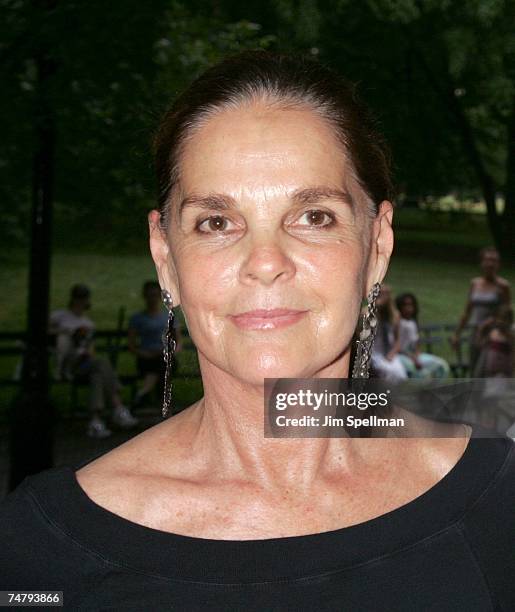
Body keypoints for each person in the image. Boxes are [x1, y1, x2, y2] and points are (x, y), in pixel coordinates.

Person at [1, 50, 514, 610]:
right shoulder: (39, 552)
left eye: (315, 216)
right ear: (165, 257)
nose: (265, 261)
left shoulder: (501, 503)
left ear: (378, 245)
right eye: (217, 222)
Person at [49, 284, 139, 438]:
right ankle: (118, 408)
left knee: (97, 374)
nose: (81, 301)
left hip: (83, 364)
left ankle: (95, 421)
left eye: (83, 297)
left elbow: (90, 349)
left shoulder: (88, 324)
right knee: (101, 365)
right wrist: (66, 332)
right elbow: (46, 333)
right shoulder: (59, 316)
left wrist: (87, 354)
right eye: (78, 297)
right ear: (73, 298)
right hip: (64, 362)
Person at [451, 246, 511, 375]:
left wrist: (491, 322)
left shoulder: (503, 286)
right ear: (482, 262)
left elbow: (508, 314)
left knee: (485, 370)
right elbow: (467, 311)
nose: (490, 264)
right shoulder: (475, 283)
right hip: (475, 331)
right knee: (474, 369)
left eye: (494, 260)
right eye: (487, 260)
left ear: (498, 264)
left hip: (493, 334)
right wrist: (457, 334)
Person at [128, 280, 183, 410]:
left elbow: (178, 341)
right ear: (144, 296)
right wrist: (143, 353)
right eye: (149, 295)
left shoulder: (169, 317)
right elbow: (131, 345)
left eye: (154, 295)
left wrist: (172, 352)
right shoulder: (137, 318)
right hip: (145, 358)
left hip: (165, 356)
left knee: (162, 361)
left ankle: (144, 392)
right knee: (160, 366)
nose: (152, 299)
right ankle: (162, 405)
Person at [395, 292, 451, 378]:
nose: (408, 308)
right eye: (405, 305)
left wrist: (417, 355)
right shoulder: (399, 323)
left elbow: (416, 343)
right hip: (401, 356)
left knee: (441, 366)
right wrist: (413, 359)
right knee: (422, 374)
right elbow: (397, 346)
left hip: (415, 355)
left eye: (411, 305)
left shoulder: (412, 322)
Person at [369, 284, 408, 382]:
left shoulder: (395, 316)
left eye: (385, 294)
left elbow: (398, 340)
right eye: (379, 294)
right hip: (374, 354)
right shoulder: (367, 314)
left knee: (400, 374)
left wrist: (392, 353)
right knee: (385, 373)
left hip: (388, 353)